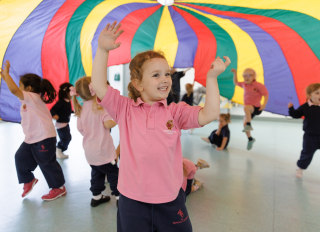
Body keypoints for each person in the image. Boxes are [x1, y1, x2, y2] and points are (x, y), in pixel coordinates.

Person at [91, 21, 230, 232]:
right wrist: (102, 50)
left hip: (170, 198)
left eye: (167, 73)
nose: (165, 79)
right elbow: (100, 86)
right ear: (138, 84)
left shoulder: (175, 111)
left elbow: (209, 113)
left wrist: (211, 78)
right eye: (156, 75)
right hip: (132, 200)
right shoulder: (124, 108)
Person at [0, 61, 66, 201]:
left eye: (21, 86)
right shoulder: (29, 98)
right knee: (20, 157)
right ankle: (28, 180)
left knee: (46, 162)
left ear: (28, 88)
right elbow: (14, 89)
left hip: (44, 137)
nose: (19, 89)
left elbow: (13, 90)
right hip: (32, 138)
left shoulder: (31, 97)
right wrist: (5, 78)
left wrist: (7, 74)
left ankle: (59, 187)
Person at [71, 76, 120, 207]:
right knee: (113, 173)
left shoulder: (81, 110)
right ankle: (119, 197)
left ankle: (96, 197)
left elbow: (80, 129)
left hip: (90, 152)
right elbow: (109, 124)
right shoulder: (100, 107)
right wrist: (117, 116)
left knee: (97, 173)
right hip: (104, 151)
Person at [288, 83, 320, 178]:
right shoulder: (305, 107)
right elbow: (296, 115)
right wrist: (291, 109)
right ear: (310, 95)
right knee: (307, 153)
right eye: (317, 93)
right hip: (310, 137)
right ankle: (300, 168)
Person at [232, 68, 268, 150]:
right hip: (249, 110)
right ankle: (250, 139)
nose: (247, 77)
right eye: (245, 76)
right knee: (244, 124)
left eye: (250, 75)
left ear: (254, 76)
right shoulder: (244, 84)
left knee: (246, 108)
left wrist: (264, 104)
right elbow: (236, 83)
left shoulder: (258, 85)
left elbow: (266, 94)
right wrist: (235, 73)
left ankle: (249, 124)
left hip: (256, 108)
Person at [50, 82, 73, 159]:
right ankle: (58, 149)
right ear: (66, 93)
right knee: (66, 138)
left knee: (68, 138)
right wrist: (54, 115)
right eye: (71, 92)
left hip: (65, 123)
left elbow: (67, 110)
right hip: (61, 124)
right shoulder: (61, 102)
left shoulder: (68, 101)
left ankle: (59, 150)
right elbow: (52, 110)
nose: (73, 94)